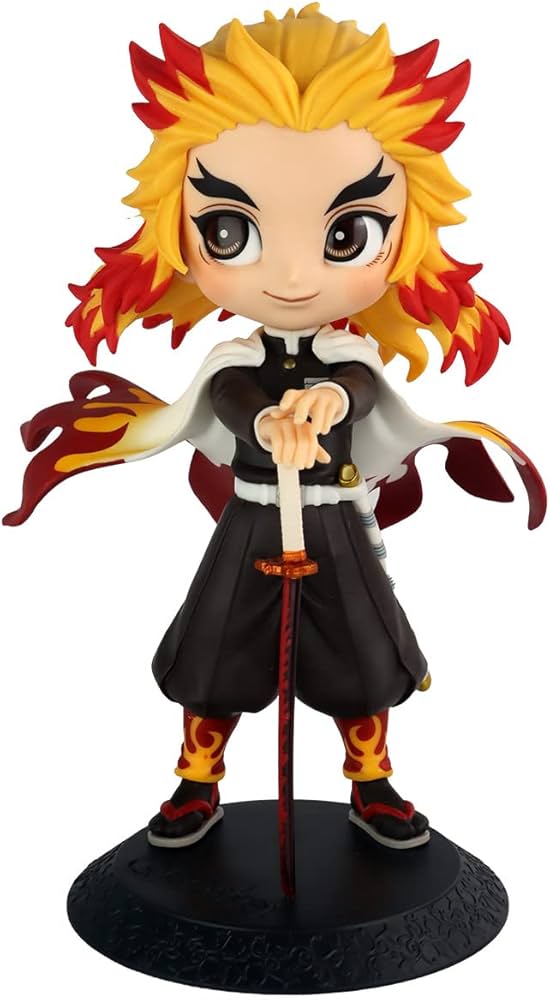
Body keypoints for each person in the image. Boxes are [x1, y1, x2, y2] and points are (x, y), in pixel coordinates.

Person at [4, 5, 545, 852]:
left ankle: (371, 781)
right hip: (252, 520)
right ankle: (196, 781)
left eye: (347, 233)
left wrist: (334, 401)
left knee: (362, 656)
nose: (292, 274)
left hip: (332, 523)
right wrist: (262, 416)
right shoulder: (234, 361)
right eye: (231, 230)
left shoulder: (349, 358)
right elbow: (223, 397)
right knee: (214, 652)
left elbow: (360, 387)